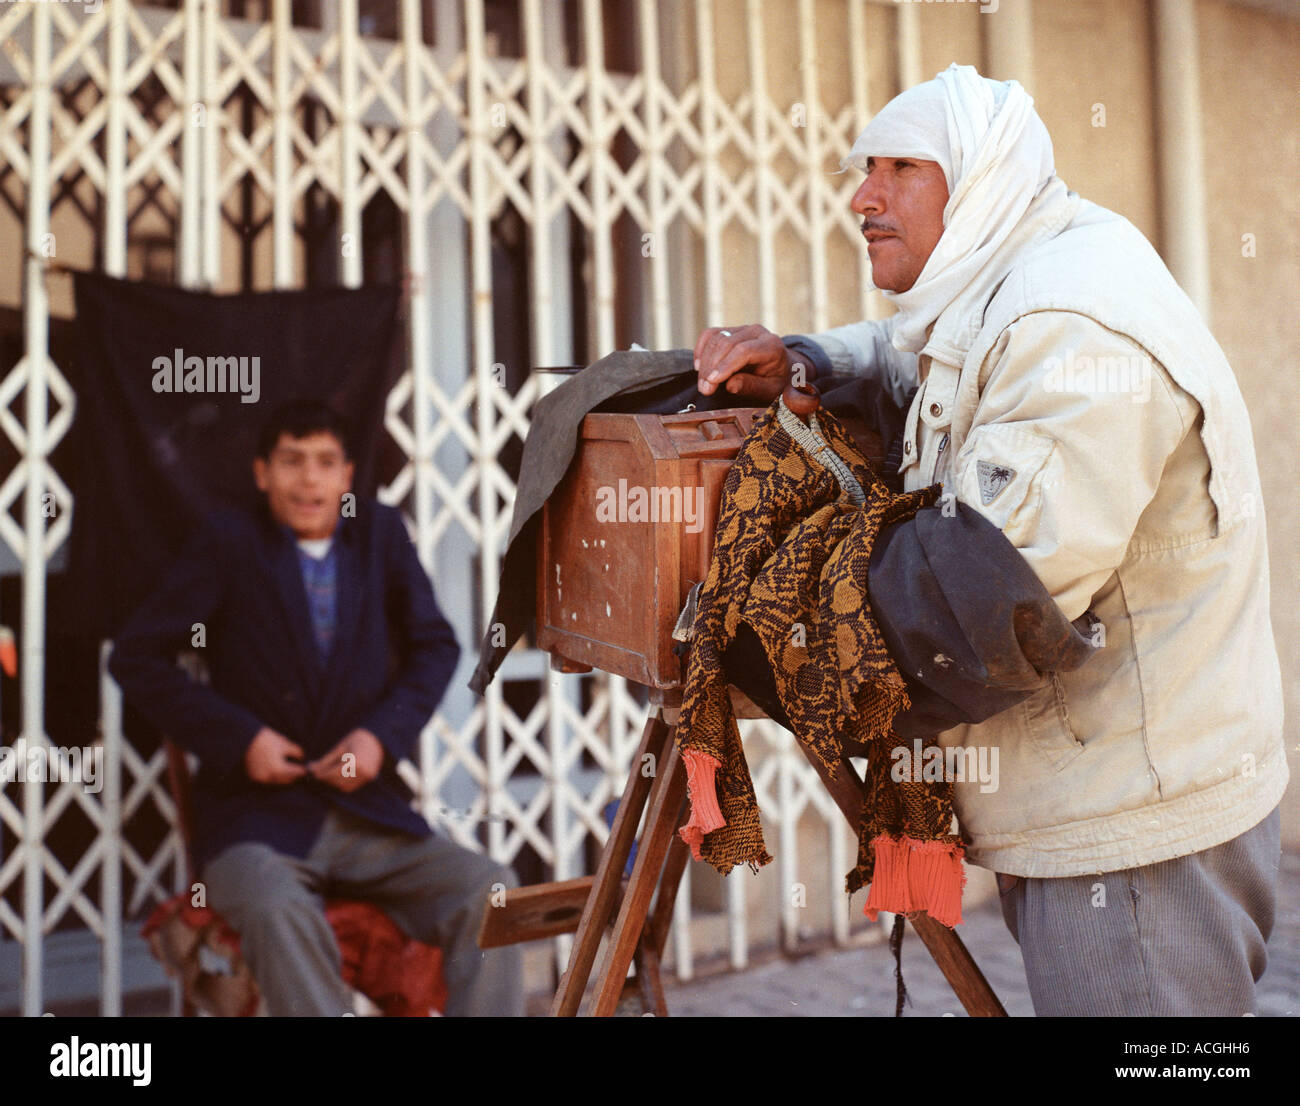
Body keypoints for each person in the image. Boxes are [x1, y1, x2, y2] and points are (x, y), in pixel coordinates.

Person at [692, 63, 1286, 1017]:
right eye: (865, 167)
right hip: (1102, 794)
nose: (862, 197)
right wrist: (805, 359)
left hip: (1136, 835)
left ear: (977, 180)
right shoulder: (1014, 267)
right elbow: (921, 353)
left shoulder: (1069, 321)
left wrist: (763, 643)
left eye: (901, 170)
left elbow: (980, 599)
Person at [110, 399, 523, 1016]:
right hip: (254, 827)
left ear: (347, 477)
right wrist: (240, 739)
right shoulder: (230, 541)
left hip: (369, 817)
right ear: (261, 473)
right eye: (291, 462)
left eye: (325, 463)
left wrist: (378, 738)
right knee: (278, 908)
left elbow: (435, 647)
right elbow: (135, 657)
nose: (309, 479)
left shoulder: (378, 534)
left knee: (490, 889)